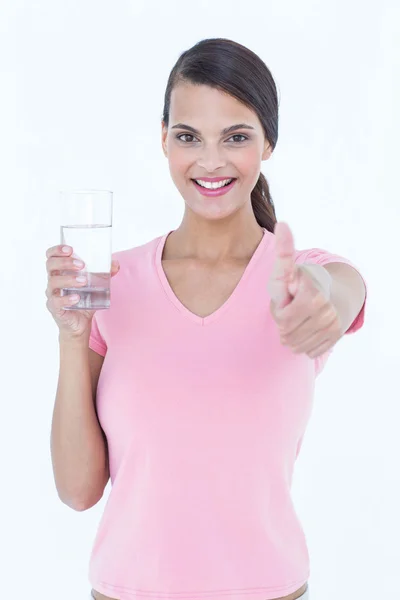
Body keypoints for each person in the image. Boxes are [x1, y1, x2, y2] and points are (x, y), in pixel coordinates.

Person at [47, 38, 367, 600]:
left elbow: (342, 292)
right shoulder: (111, 282)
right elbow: (77, 491)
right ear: (163, 138)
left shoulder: (299, 276)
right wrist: (71, 338)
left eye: (236, 137)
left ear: (269, 142)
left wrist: (320, 303)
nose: (211, 161)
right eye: (188, 136)